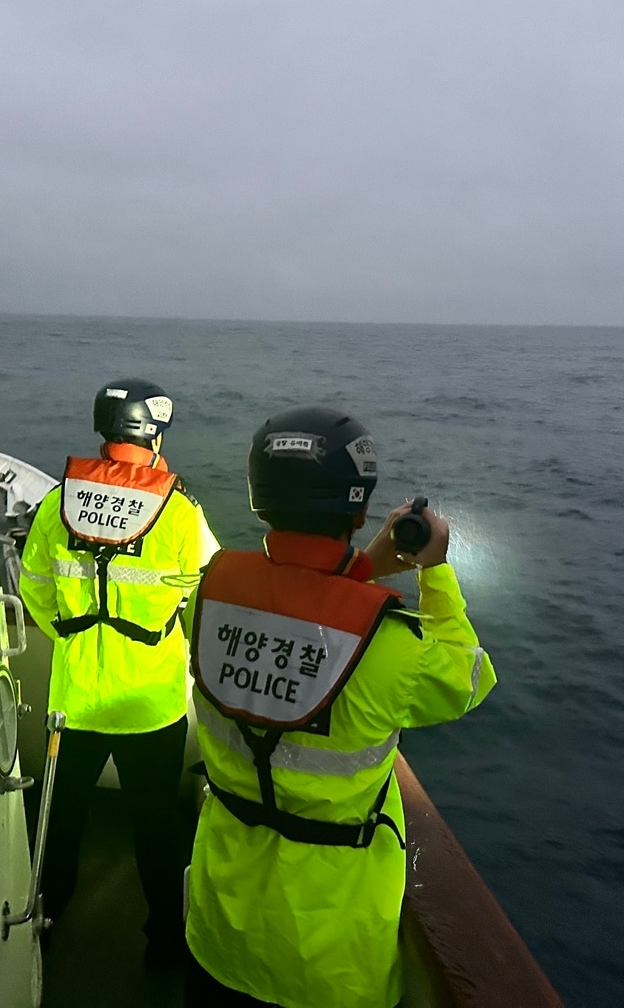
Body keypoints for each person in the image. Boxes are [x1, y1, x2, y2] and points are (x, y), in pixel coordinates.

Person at [183, 405, 497, 1007]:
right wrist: (433, 572)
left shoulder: (211, 595)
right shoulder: (391, 646)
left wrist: (363, 568)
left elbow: (296, 601)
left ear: (258, 498)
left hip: (218, 929)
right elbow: (469, 676)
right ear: (358, 510)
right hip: (328, 960)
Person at [19, 378, 217, 968]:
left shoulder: (59, 503)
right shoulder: (179, 512)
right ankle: (164, 941)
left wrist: (73, 640)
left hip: (73, 698)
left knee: (58, 822)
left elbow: (32, 586)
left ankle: (44, 925)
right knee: (156, 829)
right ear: (153, 436)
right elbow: (210, 590)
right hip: (150, 704)